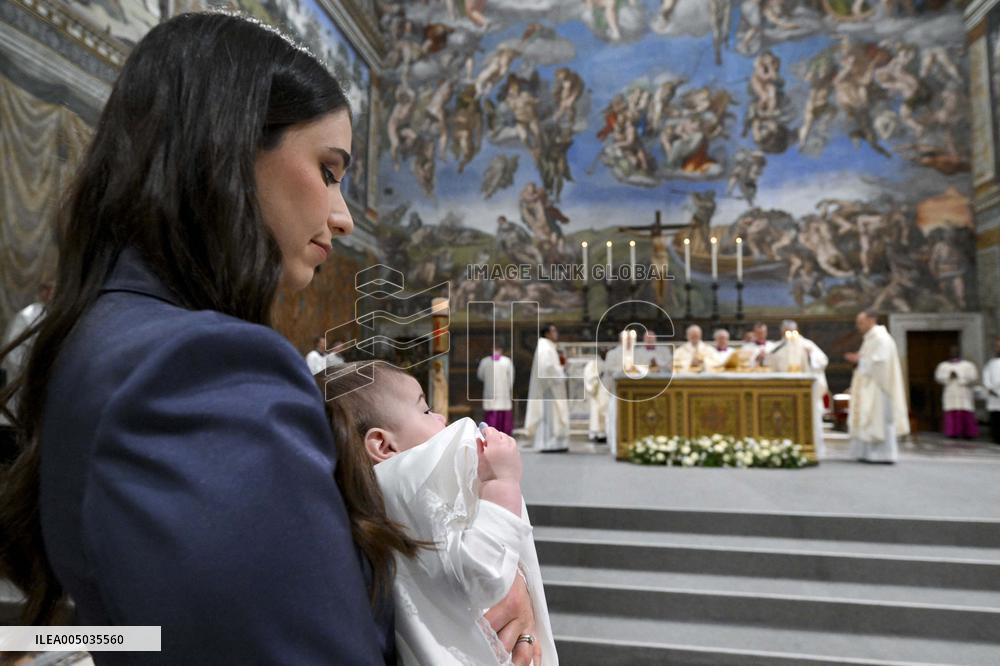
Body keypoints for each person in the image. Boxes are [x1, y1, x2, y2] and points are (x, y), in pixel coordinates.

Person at [0, 13, 536, 664]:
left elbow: (153, 624)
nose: (341, 217)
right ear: (230, 150)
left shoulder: (106, 329)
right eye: (329, 170)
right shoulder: (199, 369)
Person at [322, 362, 555, 666]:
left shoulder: (362, 498)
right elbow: (482, 574)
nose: (442, 418)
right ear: (382, 444)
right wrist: (502, 484)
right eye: (426, 410)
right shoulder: (407, 486)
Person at [845, 310, 909, 463]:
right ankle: (867, 453)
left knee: (878, 419)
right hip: (869, 386)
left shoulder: (881, 338)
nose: (858, 326)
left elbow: (880, 363)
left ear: (871, 320)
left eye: (861, 322)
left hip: (879, 388)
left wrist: (859, 360)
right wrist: (860, 359)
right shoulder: (870, 339)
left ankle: (882, 454)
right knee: (868, 418)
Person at [524, 324, 569, 452]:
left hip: (552, 388)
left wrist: (561, 367)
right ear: (547, 333)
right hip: (548, 390)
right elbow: (546, 369)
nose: (556, 333)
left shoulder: (548, 346)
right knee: (549, 417)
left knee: (553, 416)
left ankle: (556, 443)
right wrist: (561, 370)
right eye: (554, 331)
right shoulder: (545, 347)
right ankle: (548, 444)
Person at [935, 347, 979, 439]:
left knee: (965, 412)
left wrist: (960, 377)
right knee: (951, 413)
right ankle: (952, 433)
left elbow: (973, 377)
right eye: (951, 351)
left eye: (955, 351)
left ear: (959, 352)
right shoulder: (943, 365)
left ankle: (968, 434)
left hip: (964, 391)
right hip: (950, 391)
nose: (953, 353)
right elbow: (938, 377)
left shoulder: (968, 365)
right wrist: (948, 376)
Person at [477, 343, 514, 435]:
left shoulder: (484, 361)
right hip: (503, 392)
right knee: (500, 413)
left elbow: (480, 376)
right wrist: (509, 387)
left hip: (492, 392)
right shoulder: (507, 361)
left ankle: (491, 435)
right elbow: (511, 377)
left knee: (492, 414)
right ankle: (503, 436)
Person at [583, 350, 608, 442]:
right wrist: (598, 377)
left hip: (608, 392)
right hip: (598, 392)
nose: (605, 352)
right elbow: (589, 377)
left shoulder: (611, 363)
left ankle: (607, 433)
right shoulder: (593, 364)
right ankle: (598, 434)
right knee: (597, 412)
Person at [983, 338, 1000, 444]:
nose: (998, 348)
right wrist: (989, 387)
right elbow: (986, 376)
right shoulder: (991, 363)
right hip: (994, 394)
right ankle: (996, 437)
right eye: (997, 346)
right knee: (996, 418)